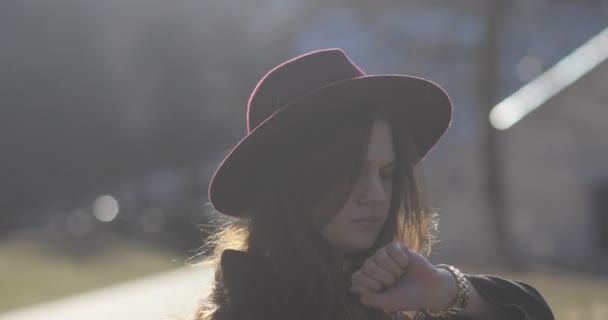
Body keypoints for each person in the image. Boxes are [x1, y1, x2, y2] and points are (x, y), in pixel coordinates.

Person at [193, 49, 555, 320]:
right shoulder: (252, 311)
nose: (377, 197)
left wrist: (445, 290)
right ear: (292, 185)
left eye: (386, 174)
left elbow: (536, 312)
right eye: (351, 174)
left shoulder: (385, 297)